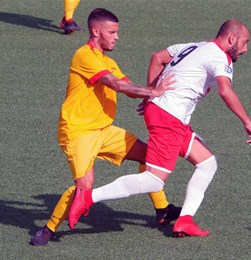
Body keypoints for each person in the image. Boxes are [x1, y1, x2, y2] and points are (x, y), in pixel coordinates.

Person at [68, 19, 251, 237]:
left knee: (207, 163)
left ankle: (185, 220)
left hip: (169, 115)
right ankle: (89, 197)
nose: (245, 49)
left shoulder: (194, 46)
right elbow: (226, 91)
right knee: (153, 180)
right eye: (245, 42)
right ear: (232, 38)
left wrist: (152, 93)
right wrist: (247, 122)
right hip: (169, 117)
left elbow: (157, 57)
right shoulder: (220, 57)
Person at [30, 8, 179, 246]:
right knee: (84, 188)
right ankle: (49, 228)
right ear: (96, 31)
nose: (117, 37)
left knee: (150, 155)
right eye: (112, 32)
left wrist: (150, 96)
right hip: (79, 133)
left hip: (105, 131)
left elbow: (127, 85)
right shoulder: (84, 55)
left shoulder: (108, 61)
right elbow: (115, 85)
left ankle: (162, 209)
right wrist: (153, 91)